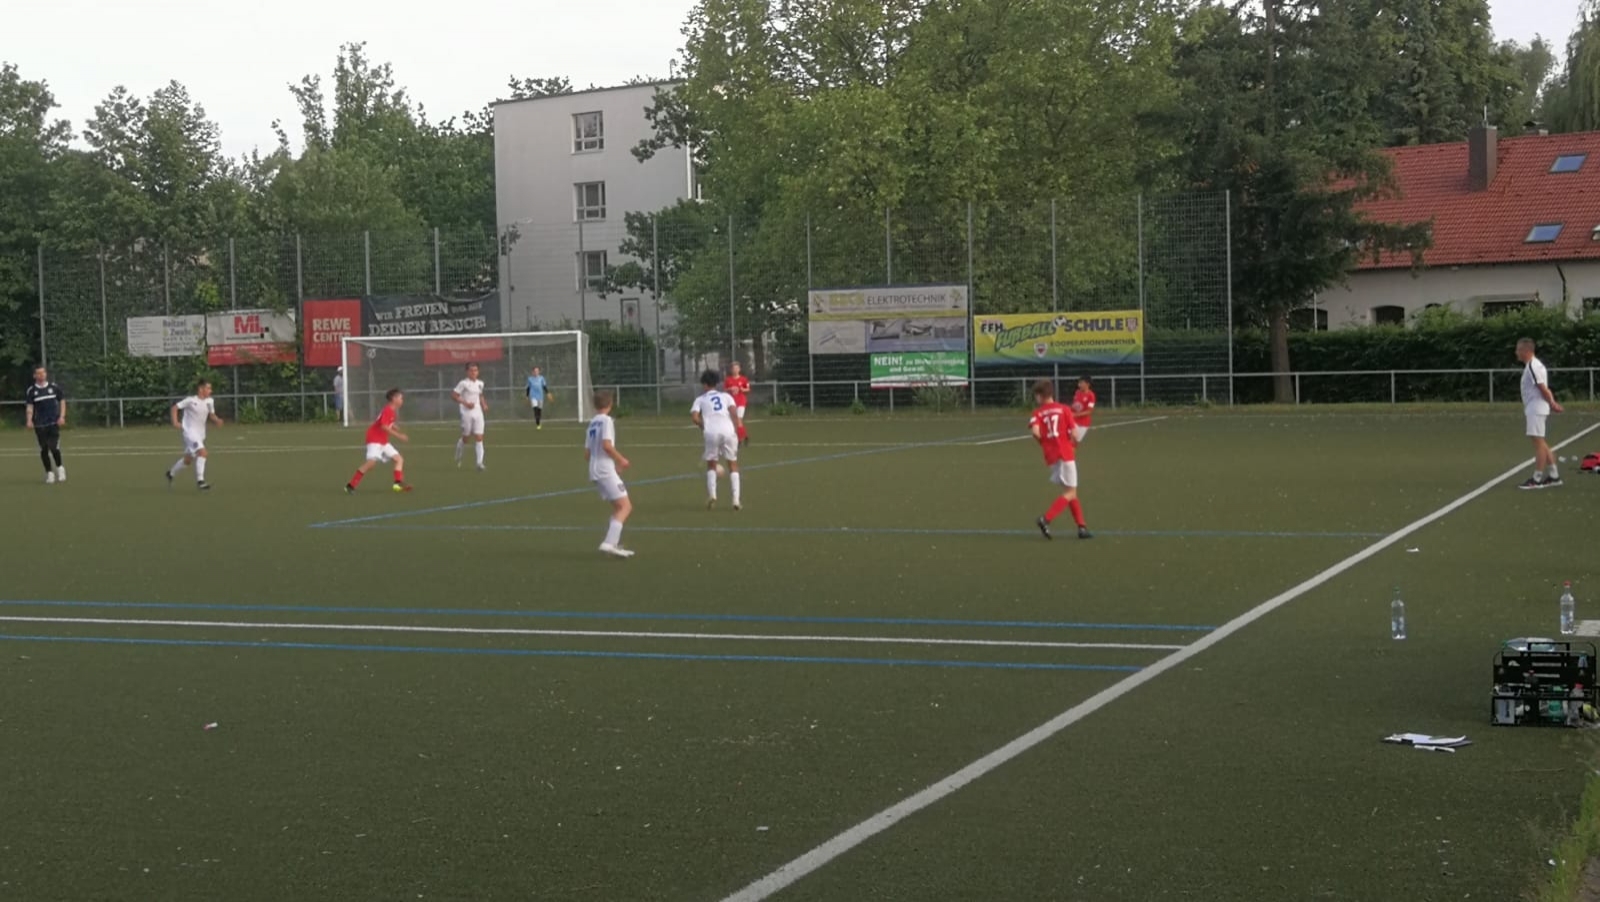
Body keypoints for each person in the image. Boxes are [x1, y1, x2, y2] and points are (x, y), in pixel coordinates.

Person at [1029, 379, 1091, 540]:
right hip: (1065, 454)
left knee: (1070, 491)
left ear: (1040, 396)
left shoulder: (1037, 413)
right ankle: (1046, 519)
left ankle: (1082, 528)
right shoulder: (1064, 409)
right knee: (1070, 492)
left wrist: (1044, 443)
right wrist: (1073, 445)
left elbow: (1035, 432)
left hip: (1051, 456)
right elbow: (1075, 434)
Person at [585, 390, 634, 558]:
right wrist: (621, 460)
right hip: (604, 469)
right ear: (610, 404)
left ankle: (613, 544)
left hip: (594, 469)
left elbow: (587, 454)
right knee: (626, 506)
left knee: (618, 507)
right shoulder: (606, 421)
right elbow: (606, 445)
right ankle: (609, 543)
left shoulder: (592, 423)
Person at [691, 369, 745, 511]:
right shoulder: (726, 396)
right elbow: (734, 413)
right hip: (728, 431)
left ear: (704, 384)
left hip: (711, 432)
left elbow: (695, 417)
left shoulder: (700, 399)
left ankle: (712, 495)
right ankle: (736, 499)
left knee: (711, 464)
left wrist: (703, 426)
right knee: (733, 464)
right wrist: (737, 431)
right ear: (716, 383)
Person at [1517, 337, 1565, 489]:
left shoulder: (1533, 366)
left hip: (1536, 408)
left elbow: (1543, 388)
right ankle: (1554, 476)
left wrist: (1552, 403)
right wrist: (1552, 403)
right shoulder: (1534, 365)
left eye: (1518, 350)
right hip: (1535, 408)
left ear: (1525, 351)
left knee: (1538, 444)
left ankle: (1536, 479)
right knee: (1541, 443)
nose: (1516, 353)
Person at [346, 388, 412, 493]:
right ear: (394, 399)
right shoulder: (388, 410)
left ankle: (397, 484)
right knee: (371, 463)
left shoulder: (391, 411)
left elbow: (386, 422)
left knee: (398, 459)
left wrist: (394, 426)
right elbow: (383, 426)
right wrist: (399, 436)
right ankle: (350, 485)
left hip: (383, 441)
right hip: (374, 439)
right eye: (400, 398)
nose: (402, 400)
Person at [166, 380, 224, 491]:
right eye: (208, 388)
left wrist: (217, 420)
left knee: (188, 460)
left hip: (200, 434)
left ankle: (170, 473)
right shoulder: (190, 400)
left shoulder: (210, 401)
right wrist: (175, 422)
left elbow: (212, 415)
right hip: (189, 432)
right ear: (201, 389)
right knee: (203, 453)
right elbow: (174, 408)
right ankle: (200, 481)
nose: (210, 391)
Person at [23, 366, 66, 484]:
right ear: (34, 375)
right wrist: (29, 420)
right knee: (44, 449)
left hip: (53, 423)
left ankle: (60, 468)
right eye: (39, 373)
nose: (41, 375)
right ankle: (49, 473)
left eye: (43, 373)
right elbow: (30, 406)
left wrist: (62, 416)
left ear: (46, 374)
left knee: (54, 447)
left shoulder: (54, 387)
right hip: (40, 425)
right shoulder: (32, 391)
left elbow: (62, 401)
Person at [452, 363, 488, 470]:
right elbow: (454, 395)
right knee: (466, 438)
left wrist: (484, 404)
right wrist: (466, 403)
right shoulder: (463, 383)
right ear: (467, 372)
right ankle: (459, 452)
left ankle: (479, 463)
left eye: (475, 370)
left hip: (477, 411)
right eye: (471, 370)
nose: (473, 372)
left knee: (479, 437)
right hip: (466, 412)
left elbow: (480, 395)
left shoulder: (480, 383)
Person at [726, 361, 751, 446]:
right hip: (732, 403)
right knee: (735, 422)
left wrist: (742, 389)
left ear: (739, 369)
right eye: (733, 368)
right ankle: (745, 436)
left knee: (738, 420)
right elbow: (725, 390)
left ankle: (739, 440)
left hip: (741, 402)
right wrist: (730, 389)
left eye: (737, 368)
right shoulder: (728, 379)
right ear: (731, 370)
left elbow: (748, 389)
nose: (735, 370)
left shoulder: (743, 379)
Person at [1071, 376, 1097, 441]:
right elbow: (1074, 405)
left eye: (1081, 383)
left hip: (1083, 423)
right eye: (1079, 383)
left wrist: (1075, 414)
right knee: (1069, 440)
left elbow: (1089, 411)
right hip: (1073, 421)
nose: (1079, 385)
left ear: (1087, 384)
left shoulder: (1091, 396)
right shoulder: (1077, 392)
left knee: (1074, 442)